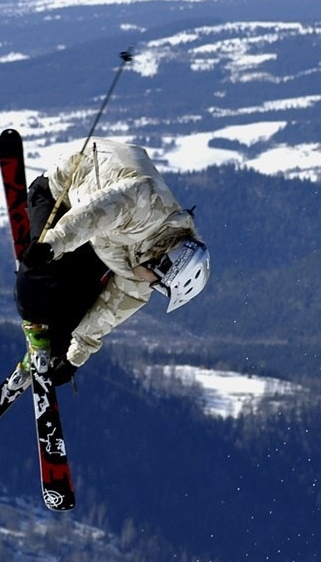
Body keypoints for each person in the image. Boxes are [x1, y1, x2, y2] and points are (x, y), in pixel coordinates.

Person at [14, 137, 209, 382]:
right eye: (158, 283)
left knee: (83, 302)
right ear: (162, 262)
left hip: (103, 239)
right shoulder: (143, 203)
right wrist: (52, 245)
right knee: (42, 274)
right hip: (61, 194)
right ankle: (38, 326)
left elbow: (108, 311)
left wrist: (74, 358)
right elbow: (92, 214)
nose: (152, 286)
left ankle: (52, 349)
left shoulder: (144, 268)